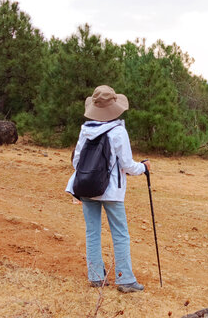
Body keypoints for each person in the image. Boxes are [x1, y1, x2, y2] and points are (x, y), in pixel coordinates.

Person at [66, 85, 151, 293]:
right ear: (114, 107)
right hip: (112, 192)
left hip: (86, 188)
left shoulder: (85, 130)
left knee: (92, 231)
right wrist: (144, 167)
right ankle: (125, 279)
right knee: (120, 234)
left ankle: (95, 276)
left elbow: (76, 161)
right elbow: (128, 165)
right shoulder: (118, 131)